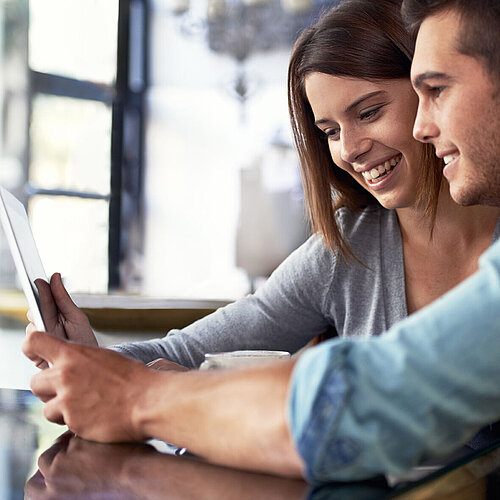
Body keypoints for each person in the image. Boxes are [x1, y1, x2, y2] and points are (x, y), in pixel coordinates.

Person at [22, 0, 500, 484]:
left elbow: (358, 400)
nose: (350, 150)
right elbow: (190, 351)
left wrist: (145, 399)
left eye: (371, 111)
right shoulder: (345, 251)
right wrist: (88, 364)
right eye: (330, 131)